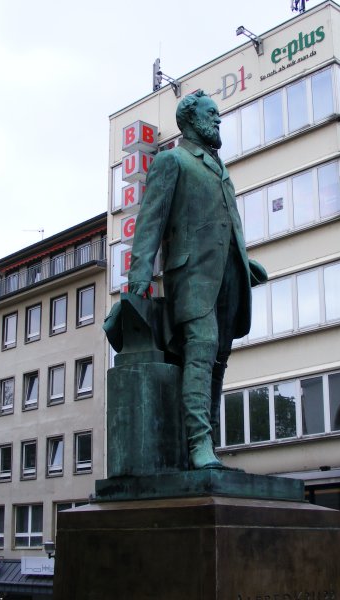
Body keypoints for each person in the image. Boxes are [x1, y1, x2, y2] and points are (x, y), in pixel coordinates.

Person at [128, 90, 266, 469]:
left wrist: (244, 260)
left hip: (229, 274)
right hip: (191, 277)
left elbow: (229, 225)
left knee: (219, 358)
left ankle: (211, 442)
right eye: (212, 114)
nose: (218, 120)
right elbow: (150, 221)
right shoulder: (172, 161)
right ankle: (198, 444)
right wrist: (139, 277)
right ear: (190, 119)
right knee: (201, 350)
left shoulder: (220, 170)